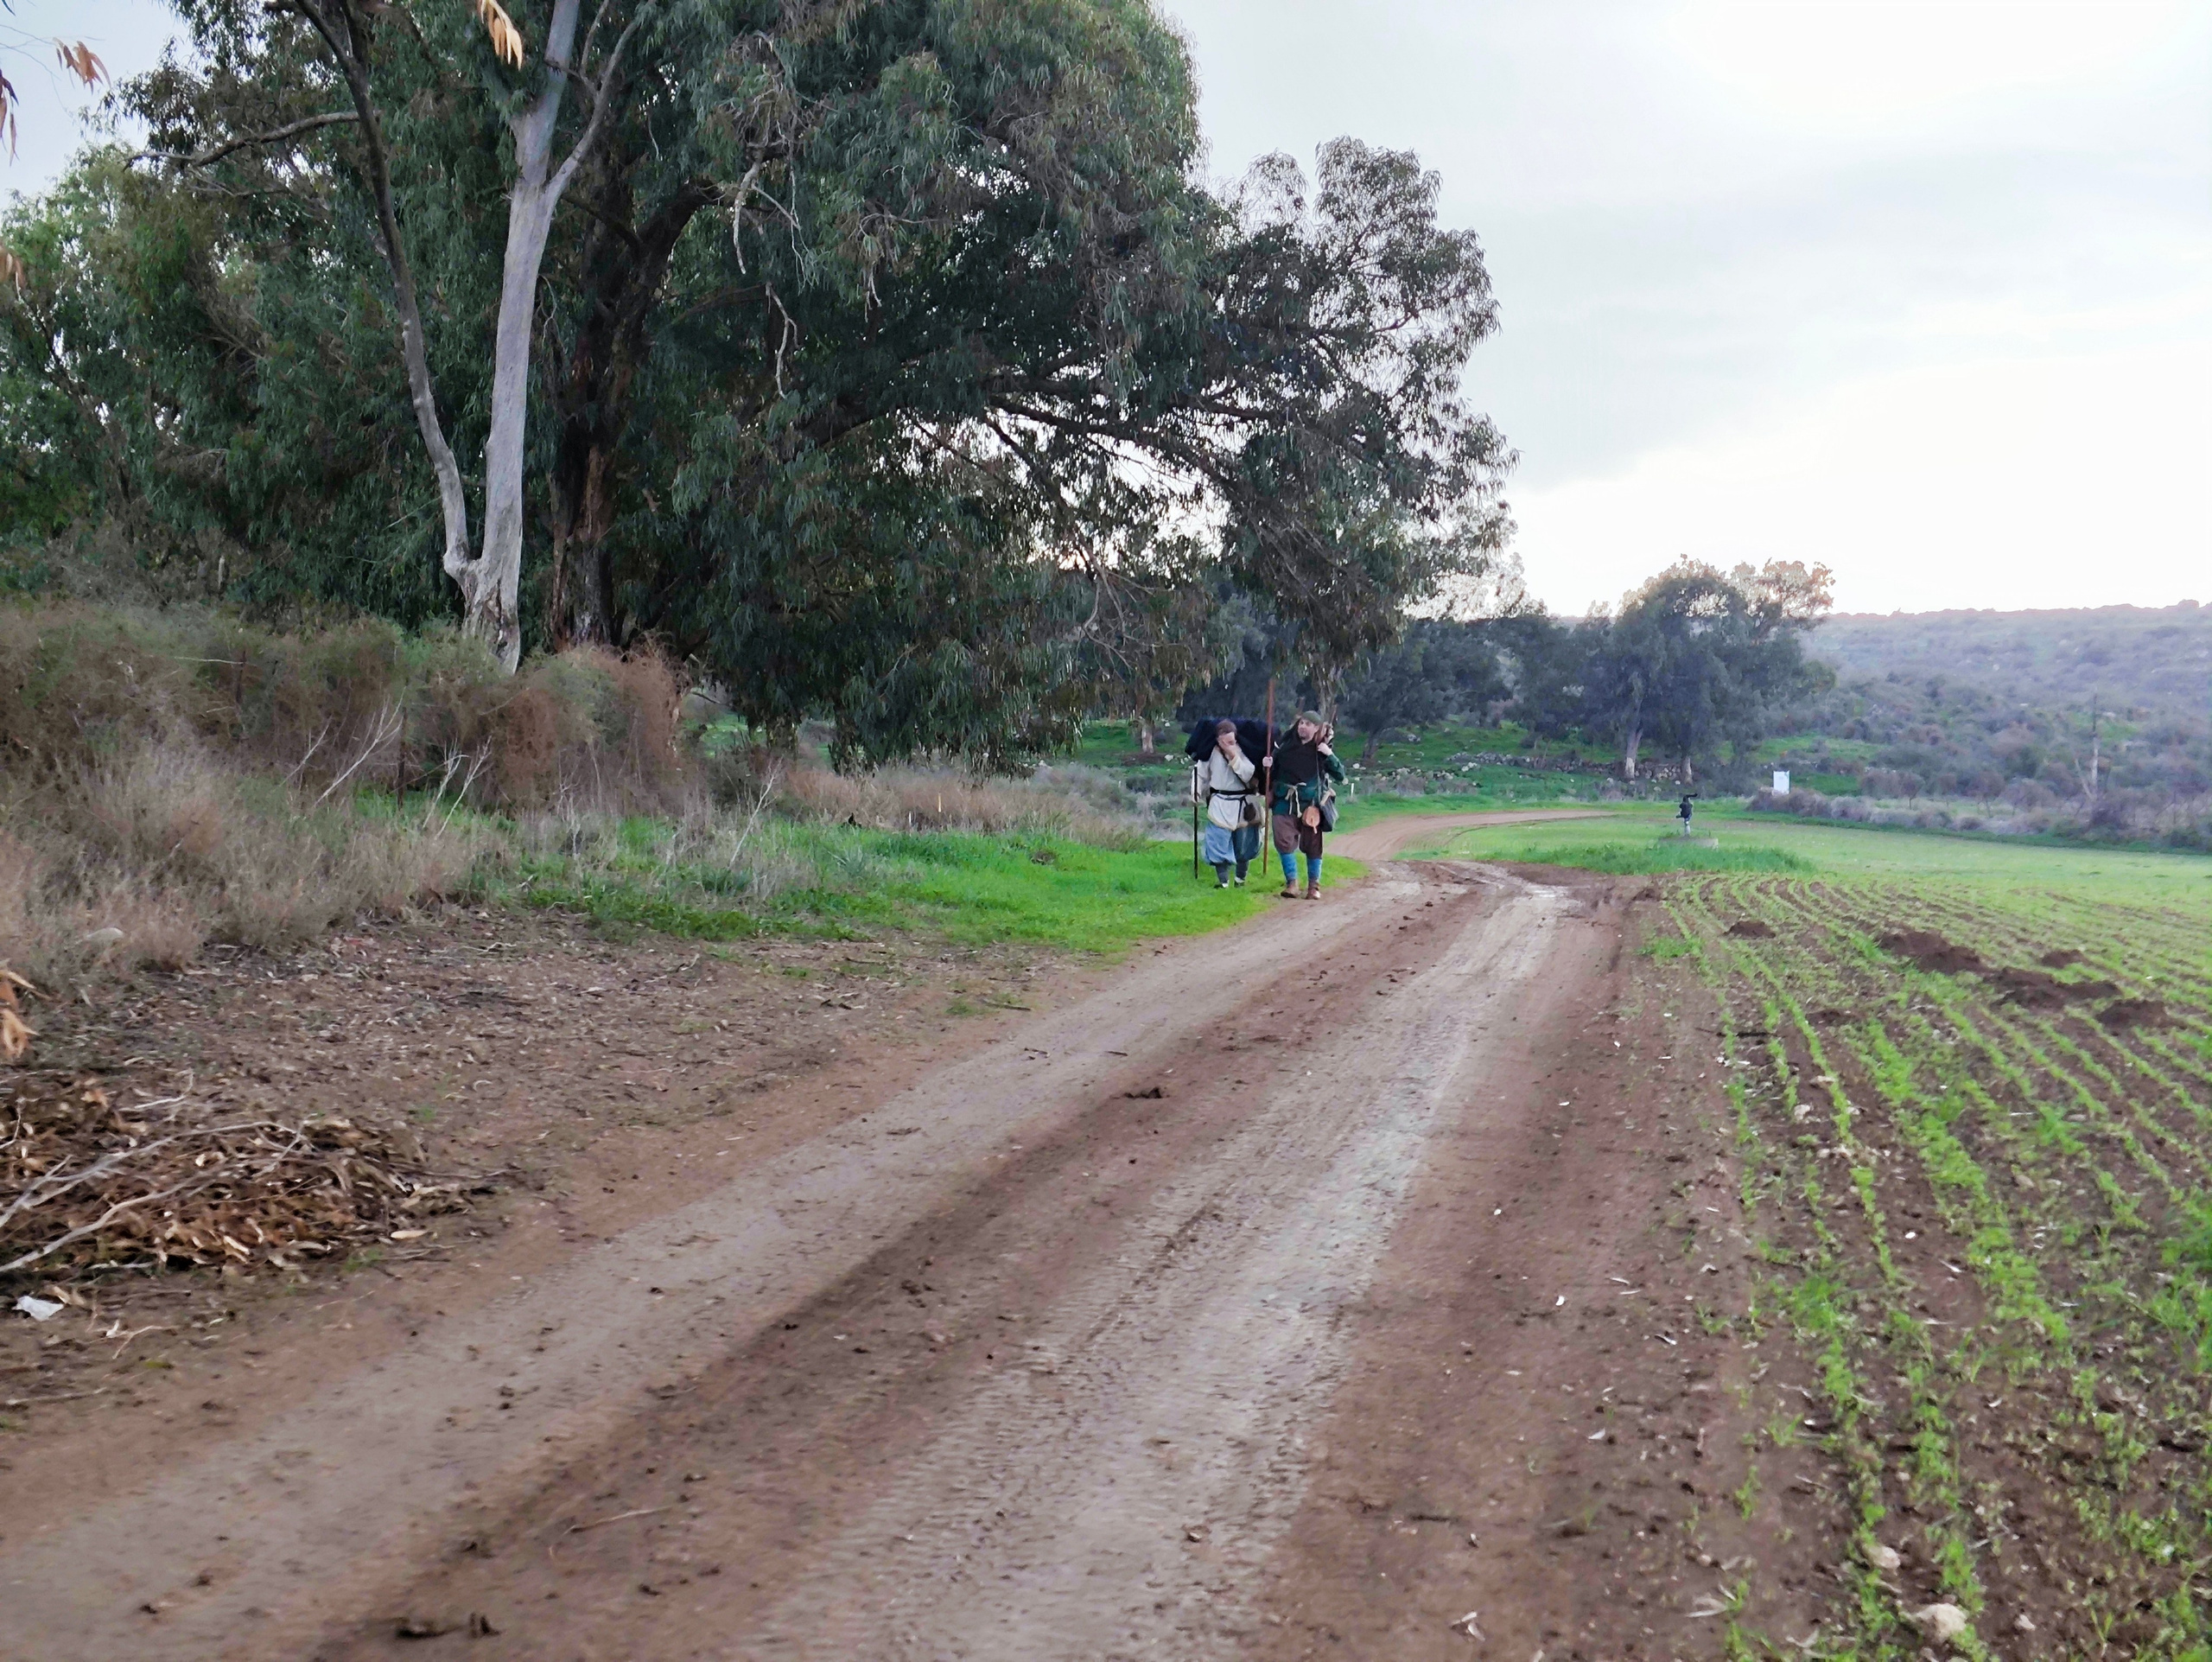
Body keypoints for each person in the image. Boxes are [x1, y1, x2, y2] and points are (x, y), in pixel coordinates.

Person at [1268, 710, 1345, 899]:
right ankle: (1292, 884)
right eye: (1301, 723)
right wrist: (1266, 765)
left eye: (1308, 724)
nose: (1303, 727)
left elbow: (1340, 775)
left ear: (1317, 728)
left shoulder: (1321, 750)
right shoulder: (1284, 747)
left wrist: (1329, 755)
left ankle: (1313, 886)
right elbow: (1271, 774)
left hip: (1311, 805)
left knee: (1313, 845)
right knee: (1283, 841)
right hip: (1284, 802)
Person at [1197, 719, 1261, 888]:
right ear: (1218, 740)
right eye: (1225, 742)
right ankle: (1223, 882)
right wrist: (1196, 792)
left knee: (1243, 844)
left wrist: (1233, 756)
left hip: (1243, 804)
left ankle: (1240, 880)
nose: (1229, 745)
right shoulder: (1210, 753)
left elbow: (1248, 774)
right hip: (1219, 802)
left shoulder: (1243, 751)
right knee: (1218, 842)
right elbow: (1200, 773)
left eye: (1232, 741)